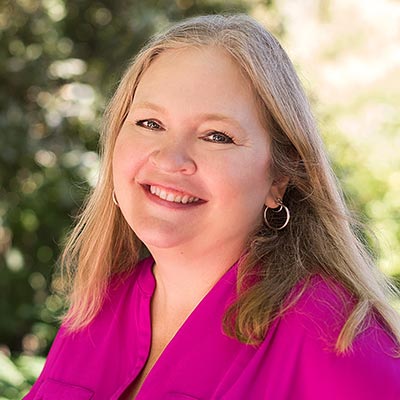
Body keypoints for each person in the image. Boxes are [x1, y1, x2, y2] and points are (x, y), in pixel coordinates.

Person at [24, 14, 400, 400]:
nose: (170, 159)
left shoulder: (339, 342)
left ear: (279, 179)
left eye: (217, 136)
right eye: (150, 123)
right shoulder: (98, 309)